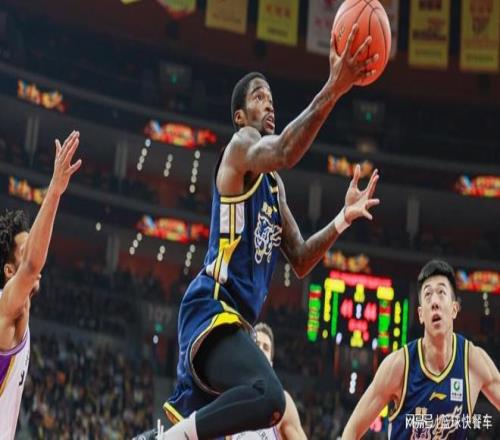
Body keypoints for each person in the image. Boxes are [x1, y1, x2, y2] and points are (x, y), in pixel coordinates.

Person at [161, 23, 380, 440]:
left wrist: (342, 218)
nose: (269, 104)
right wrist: (333, 88)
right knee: (270, 398)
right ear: (240, 116)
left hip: (236, 324)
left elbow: (301, 259)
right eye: (259, 97)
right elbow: (284, 151)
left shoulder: (273, 189)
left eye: (271, 99)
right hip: (212, 305)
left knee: (262, 406)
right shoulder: (240, 147)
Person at [342, 259, 500, 440]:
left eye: (441, 293)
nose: (434, 302)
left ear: (454, 309)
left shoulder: (473, 361)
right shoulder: (399, 365)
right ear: (420, 314)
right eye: (428, 295)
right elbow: (352, 430)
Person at [0, 131, 82, 440]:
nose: (36, 253)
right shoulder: (6, 306)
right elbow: (33, 265)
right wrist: (55, 191)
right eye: (25, 250)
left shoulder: (17, 314)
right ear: (9, 271)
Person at [222, 322, 307, 440]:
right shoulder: (232, 399)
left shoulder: (283, 403)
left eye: (266, 347)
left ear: (271, 364)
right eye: (256, 344)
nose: (260, 349)